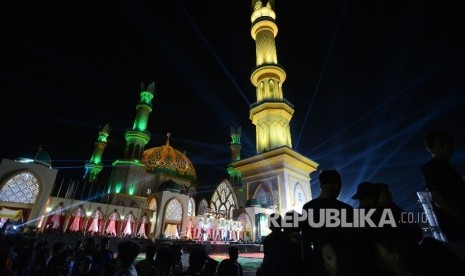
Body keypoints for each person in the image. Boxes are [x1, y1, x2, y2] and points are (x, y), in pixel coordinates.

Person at [300, 169, 356, 276]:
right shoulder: (346, 209)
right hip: (343, 264)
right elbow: (353, 241)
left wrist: (307, 267)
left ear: (321, 185)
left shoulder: (308, 208)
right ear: (337, 185)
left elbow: (305, 242)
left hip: (317, 263)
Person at [421, 130, 465, 259]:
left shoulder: (449, 168)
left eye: (449, 144)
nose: (447, 148)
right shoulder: (431, 168)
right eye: (442, 144)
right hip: (457, 229)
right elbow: (436, 197)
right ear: (430, 148)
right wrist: (461, 220)